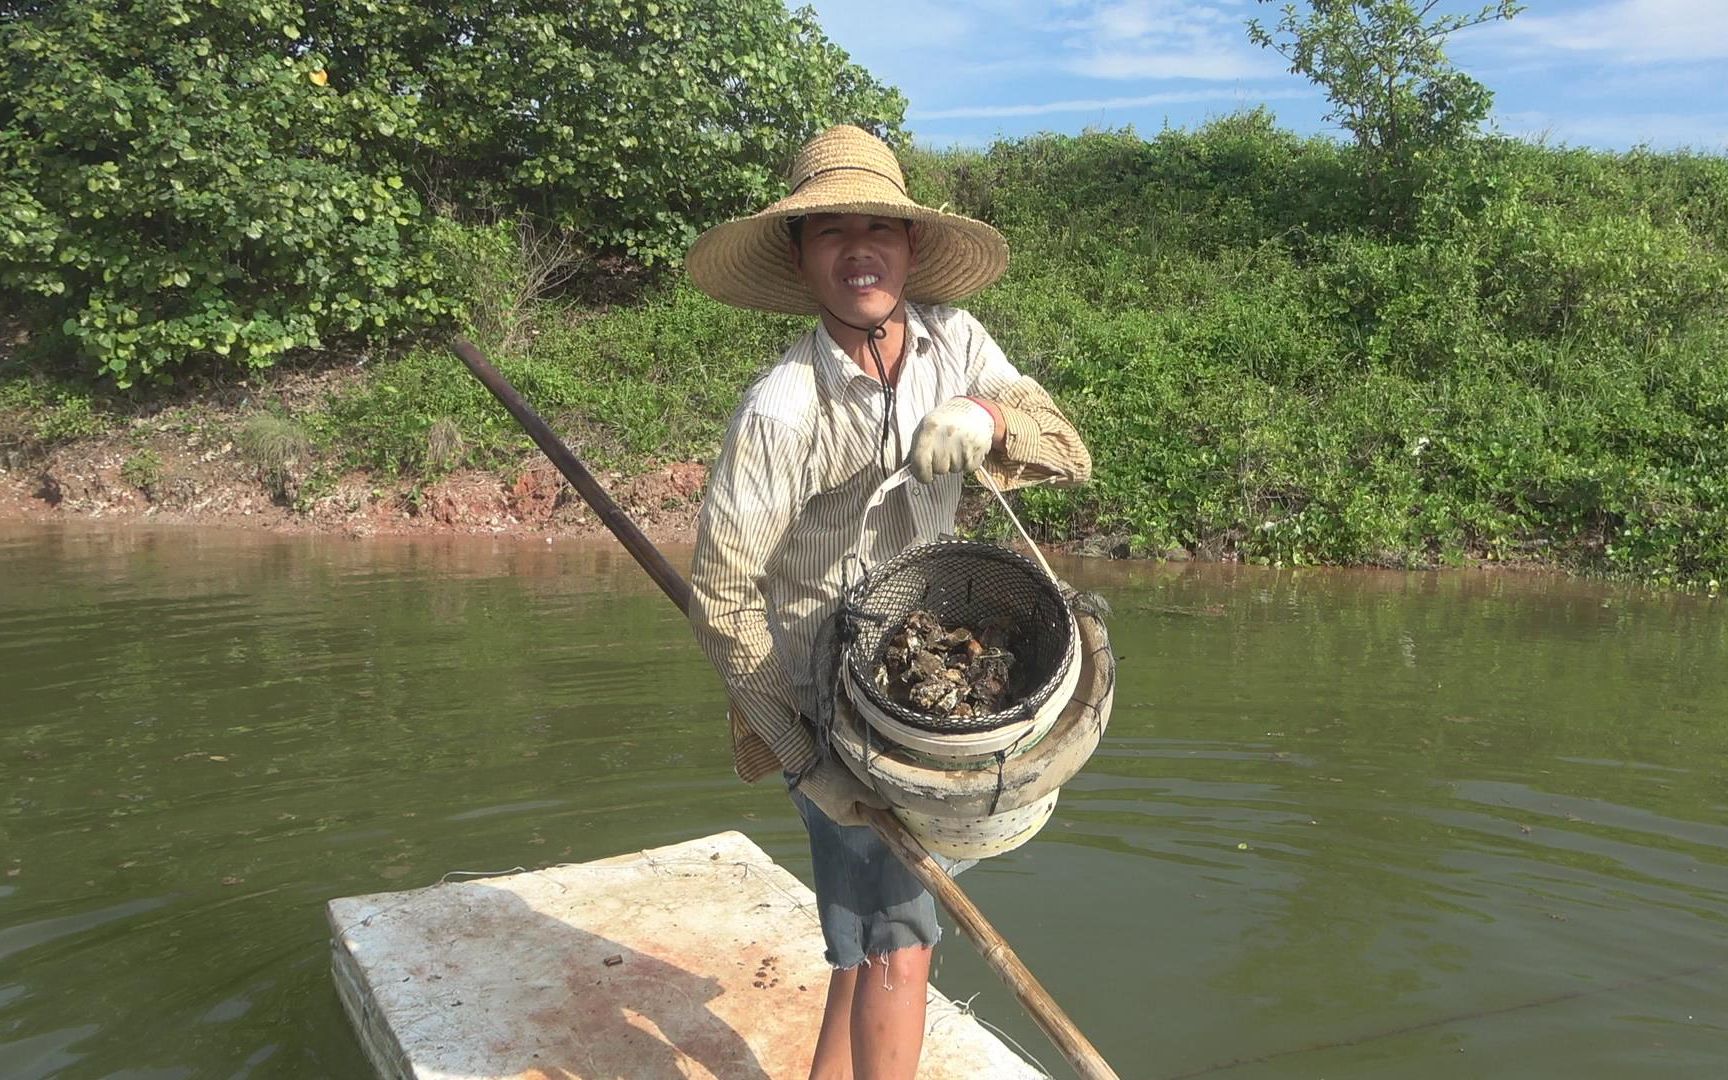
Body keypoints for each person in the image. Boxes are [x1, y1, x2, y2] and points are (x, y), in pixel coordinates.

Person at [684, 125, 1091, 1080]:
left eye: (881, 227)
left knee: (866, 929)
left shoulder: (956, 342)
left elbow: (1067, 448)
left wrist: (983, 417)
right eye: (832, 231)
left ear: (911, 248)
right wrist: (807, 757)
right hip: (818, 700)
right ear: (800, 257)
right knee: (901, 941)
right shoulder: (782, 407)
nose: (859, 248)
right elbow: (723, 596)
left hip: (931, 679)